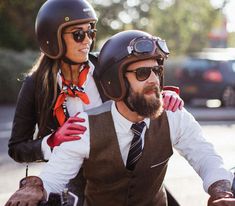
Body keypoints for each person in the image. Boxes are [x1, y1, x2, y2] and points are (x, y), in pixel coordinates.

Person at [5, 30, 234, 206]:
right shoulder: (85, 127)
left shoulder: (174, 116)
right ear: (115, 81)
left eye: (157, 71)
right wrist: (33, 185)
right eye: (143, 73)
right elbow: (54, 180)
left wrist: (220, 190)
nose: (154, 80)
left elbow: (206, 157)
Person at [7, 0, 183, 205]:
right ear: (52, 38)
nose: (87, 40)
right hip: (72, 179)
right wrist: (52, 141)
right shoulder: (35, 85)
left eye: (90, 32)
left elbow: (143, 87)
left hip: (124, 170)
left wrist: (166, 96)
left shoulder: (107, 65)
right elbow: (17, 148)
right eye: (78, 34)